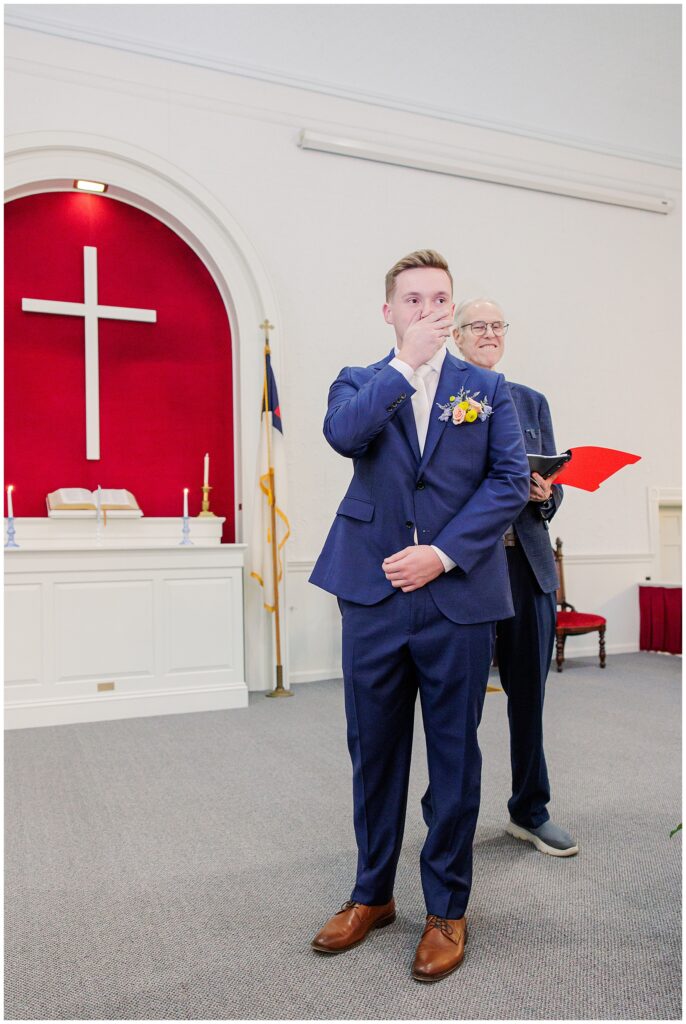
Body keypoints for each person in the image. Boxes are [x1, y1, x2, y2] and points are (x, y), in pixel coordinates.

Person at [309, 251, 530, 982]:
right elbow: (344, 436)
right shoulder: (361, 381)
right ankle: (372, 895)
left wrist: (442, 554)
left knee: (454, 757)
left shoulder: (488, 389)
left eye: (440, 298)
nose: (429, 309)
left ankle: (446, 908)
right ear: (390, 311)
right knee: (373, 753)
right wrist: (404, 365)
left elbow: (506, 483)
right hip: (371, 593)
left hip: (456, 597)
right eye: (414, 299)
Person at [422, 298, 577, 857]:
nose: (489, 333)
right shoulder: (440, 398)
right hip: (466, 569)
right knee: (458, 703)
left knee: (528, 698)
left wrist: (546, 493)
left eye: (497, 326)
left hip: (527, 568)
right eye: (477, 326)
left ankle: (529, 811)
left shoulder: (532, 402)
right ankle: (447, 816)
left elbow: (549, 492)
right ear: (456, 336)